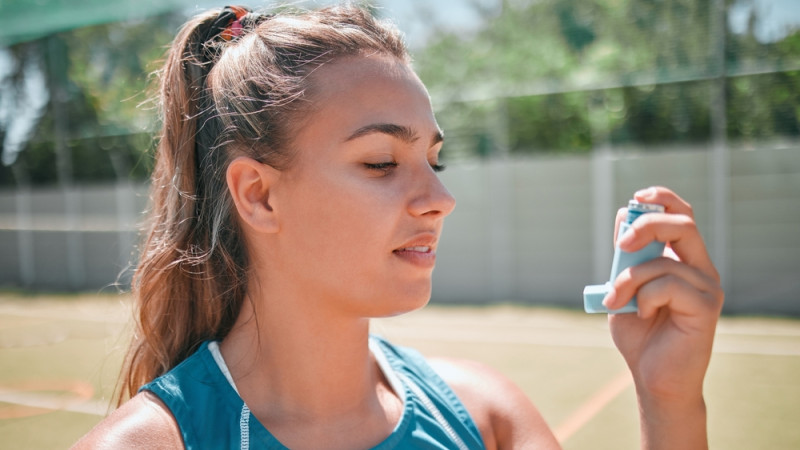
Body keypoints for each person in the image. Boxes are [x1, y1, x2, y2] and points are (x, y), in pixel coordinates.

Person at [74, 4, 724, 449]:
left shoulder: (484, 416)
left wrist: (668, 399)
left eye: (434, 160)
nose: (439, 197)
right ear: (259, 195)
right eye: (382, 162)